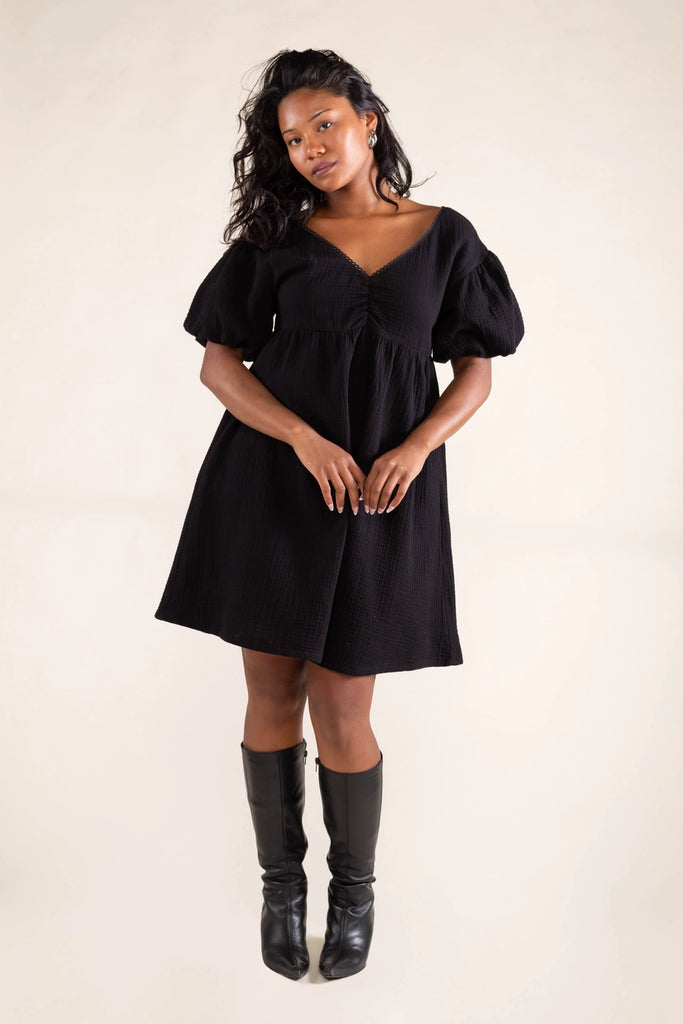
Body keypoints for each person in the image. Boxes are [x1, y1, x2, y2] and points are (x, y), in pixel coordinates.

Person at [154, 47, 525, 982]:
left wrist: (417, 446)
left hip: (380, 493)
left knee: (344, 703)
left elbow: (475, 370)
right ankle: (282, 887)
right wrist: (300, 438)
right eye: (291, 138)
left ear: (367, 119)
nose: (311, 147)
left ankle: (352, 893)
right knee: (272, 692)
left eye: (324, 124)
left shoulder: (445, 237)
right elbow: (218, 363)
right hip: (273, 485)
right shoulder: (277, 238)